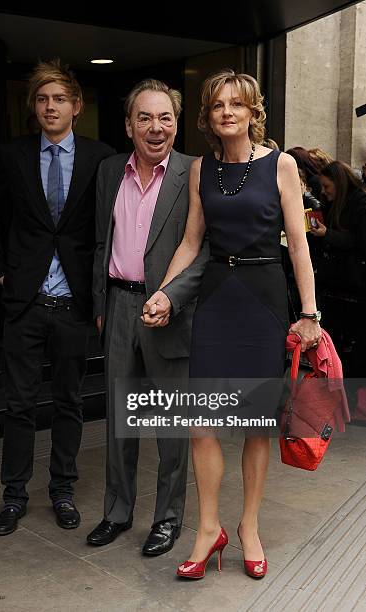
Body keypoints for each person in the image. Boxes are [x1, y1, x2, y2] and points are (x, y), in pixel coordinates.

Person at [144, 70, 320, 579]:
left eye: (236, 104)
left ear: (252, 112)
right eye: (218, 104)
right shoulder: (201, 169)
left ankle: (248, 527)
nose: (227, 112)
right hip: (216, 301)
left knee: (256, 428)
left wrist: (308, 312)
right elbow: (192, 242)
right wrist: (165, 293)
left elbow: (299, 243)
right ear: (209, 114)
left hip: (262, 300)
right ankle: (207, 529)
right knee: (203, 425)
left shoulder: (281, 165)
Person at [0, 59, 114, 536]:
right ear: (33, 108)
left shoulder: (101, 158)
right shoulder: (12, 155)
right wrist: (0, 274)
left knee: (69, 402)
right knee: (18, 406)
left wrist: (100, 293)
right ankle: (14, 497)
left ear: (76, 106)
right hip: (25, 302)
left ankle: (62, 491)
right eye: (41, 99)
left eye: (58, 99)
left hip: (74, 304)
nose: (49, 106)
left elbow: (109, 231)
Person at [87, 79, 207, 555]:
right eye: (145, 117)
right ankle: (117, 513)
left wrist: (172, 298)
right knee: (120, 419)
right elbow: (100, 242)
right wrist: (101, 306)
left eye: (165, 118)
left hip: (169, 312)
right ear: (128, 125)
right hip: (118, 306)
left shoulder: (195, 172)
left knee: (171, 425)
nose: (155, 128)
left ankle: (168, 518)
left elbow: (202, 252)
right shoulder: (109, 171)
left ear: (177, 124)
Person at [310, 161, 366, 374]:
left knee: (352, 350)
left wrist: (328, 235)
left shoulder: (359, 204)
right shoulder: (330, 204)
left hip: (353, 287)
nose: (323, 192)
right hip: (333, 284)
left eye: (327, 187)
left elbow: (360, 242)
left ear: (338, 184)